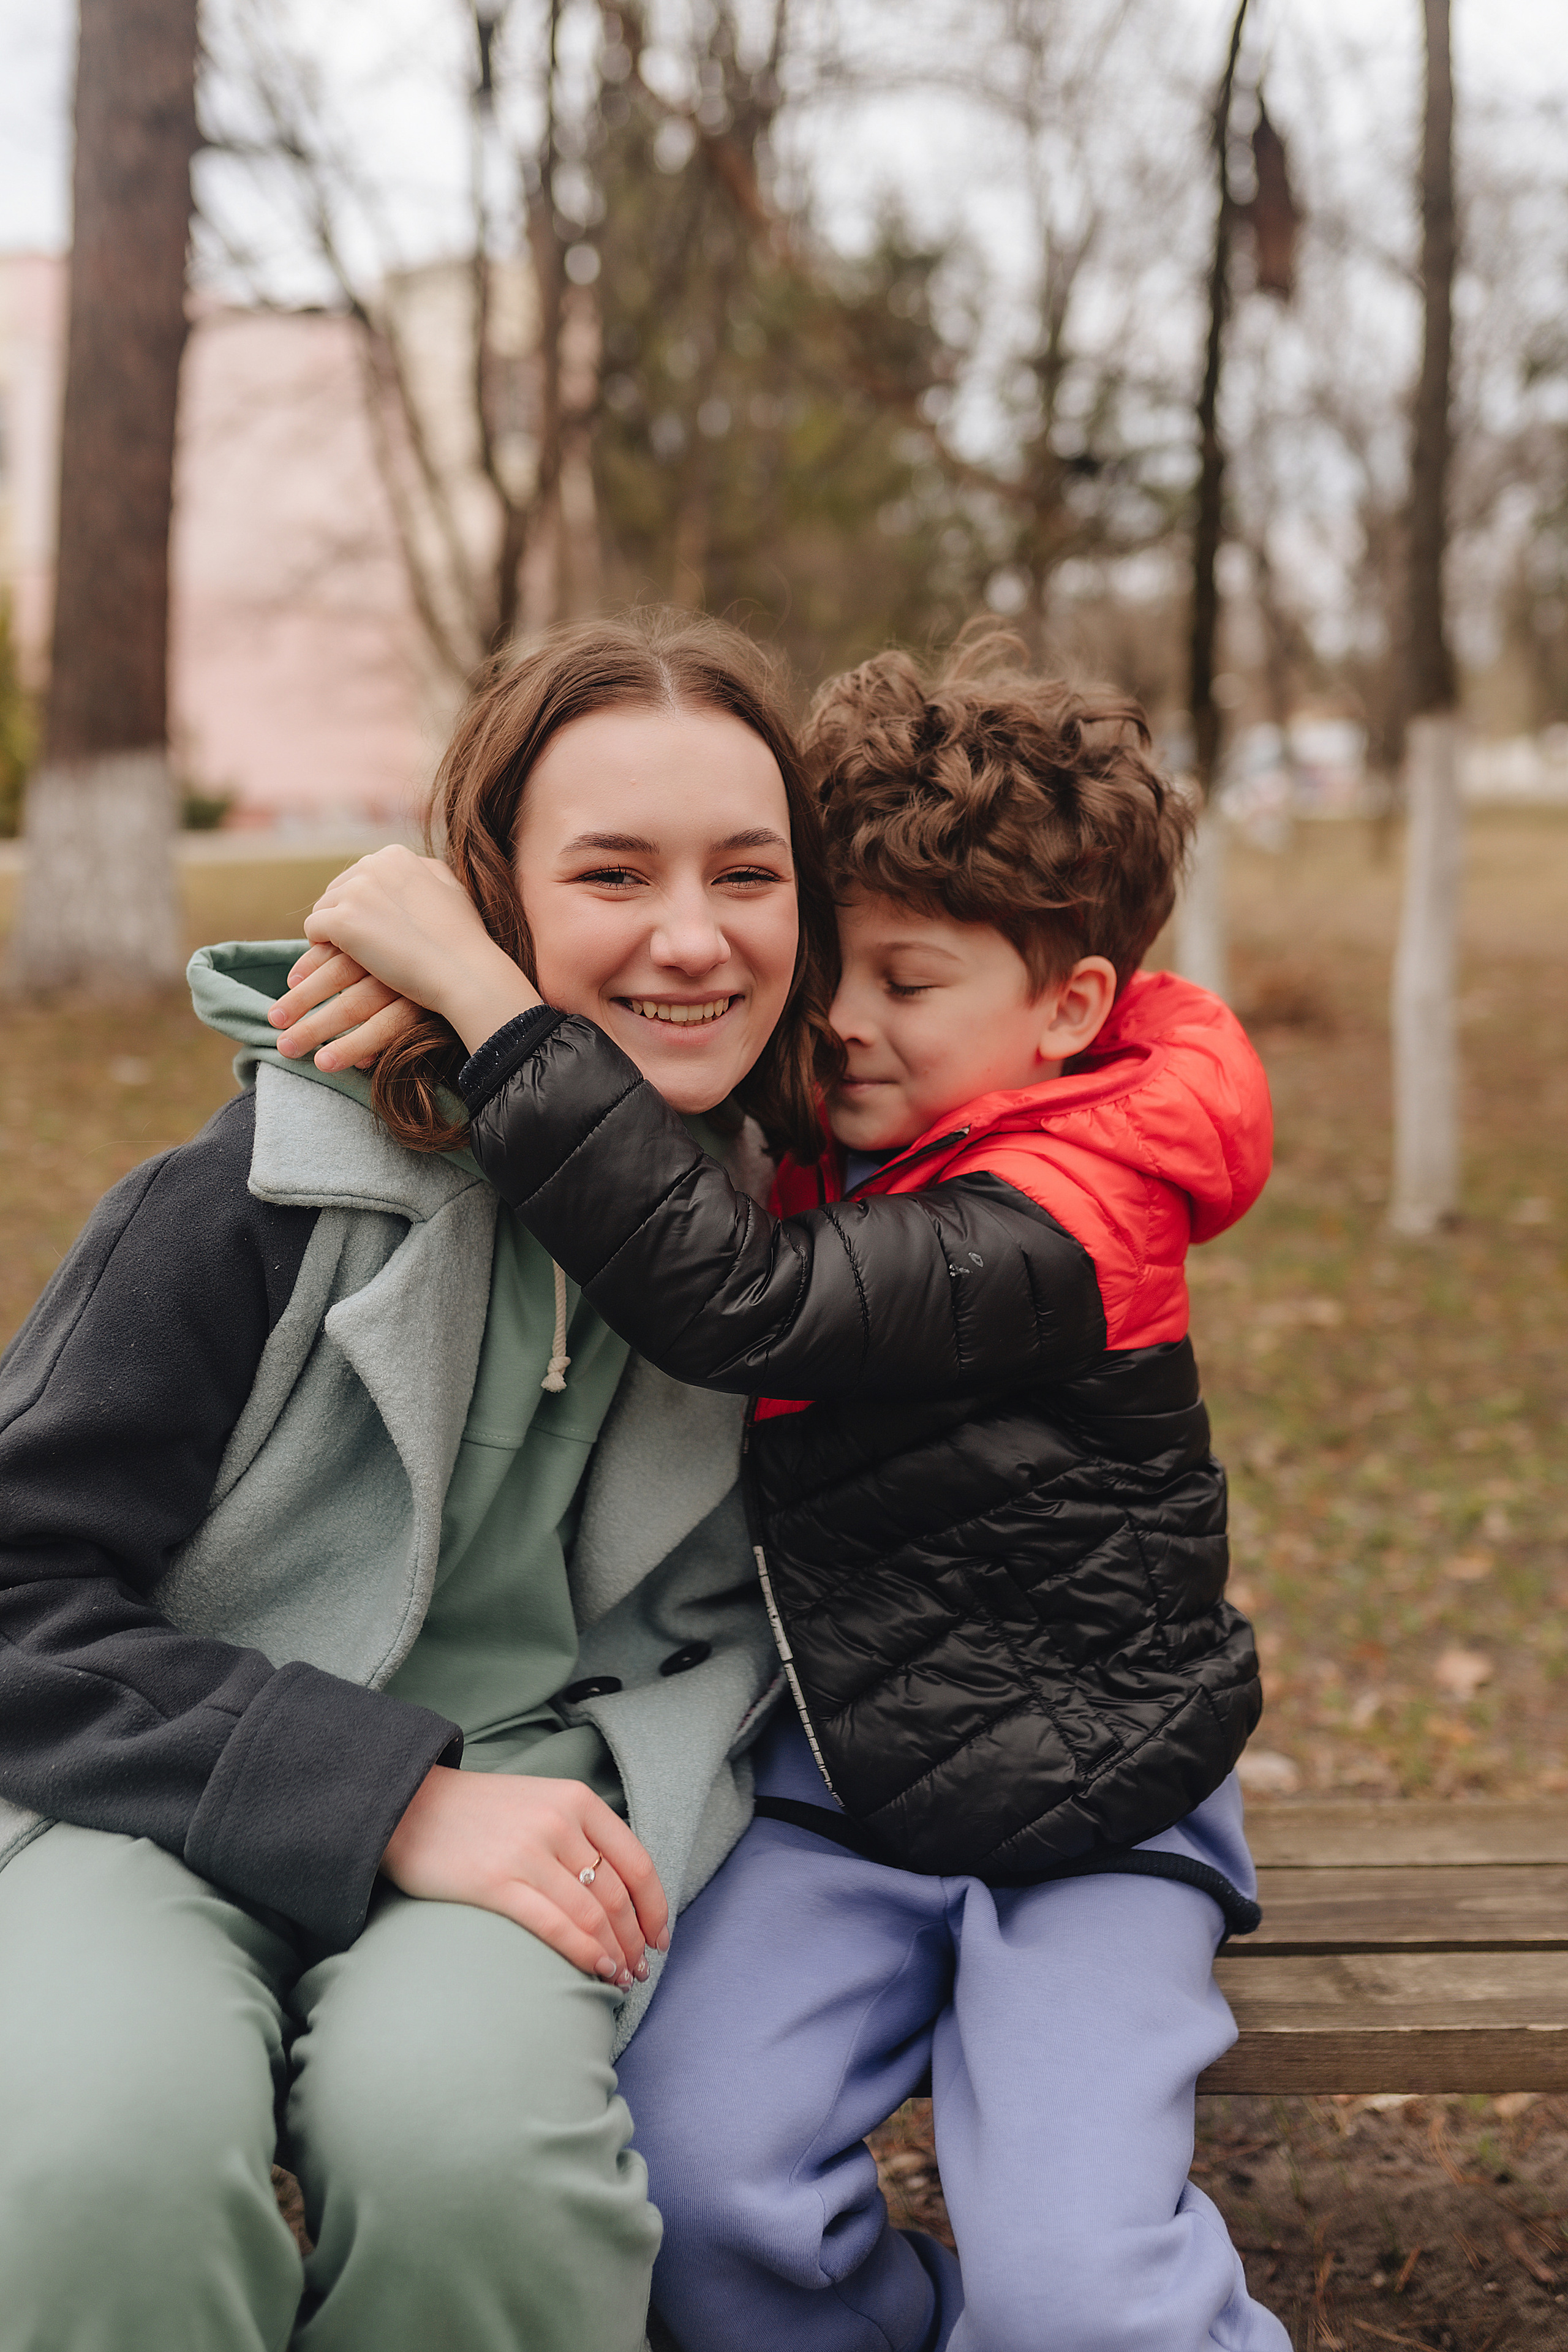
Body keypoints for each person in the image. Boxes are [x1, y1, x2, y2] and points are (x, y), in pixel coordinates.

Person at [276, 630, 1289, 2351]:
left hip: (1099, 1801)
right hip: (840, 1786)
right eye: (836, 966)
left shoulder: (1079, 1204)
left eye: (906, 983)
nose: (836, 1022)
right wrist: (446, 991)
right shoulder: (866, 1105)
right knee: (701, 2205)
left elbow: (742, 1300)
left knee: (1079, 2301)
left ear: (1069, 1011)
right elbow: (651, 1009)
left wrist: (491, 999)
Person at [0, 610, 845, 2352]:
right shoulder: (260, 1189)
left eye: (748, 875)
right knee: (99, 2159)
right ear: (493, 904)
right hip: (164, 1778)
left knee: (482, 2170)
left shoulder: (817, 1223)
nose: (694, 939)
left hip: (563, 1803)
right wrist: (385, 1793)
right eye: (613, 873)